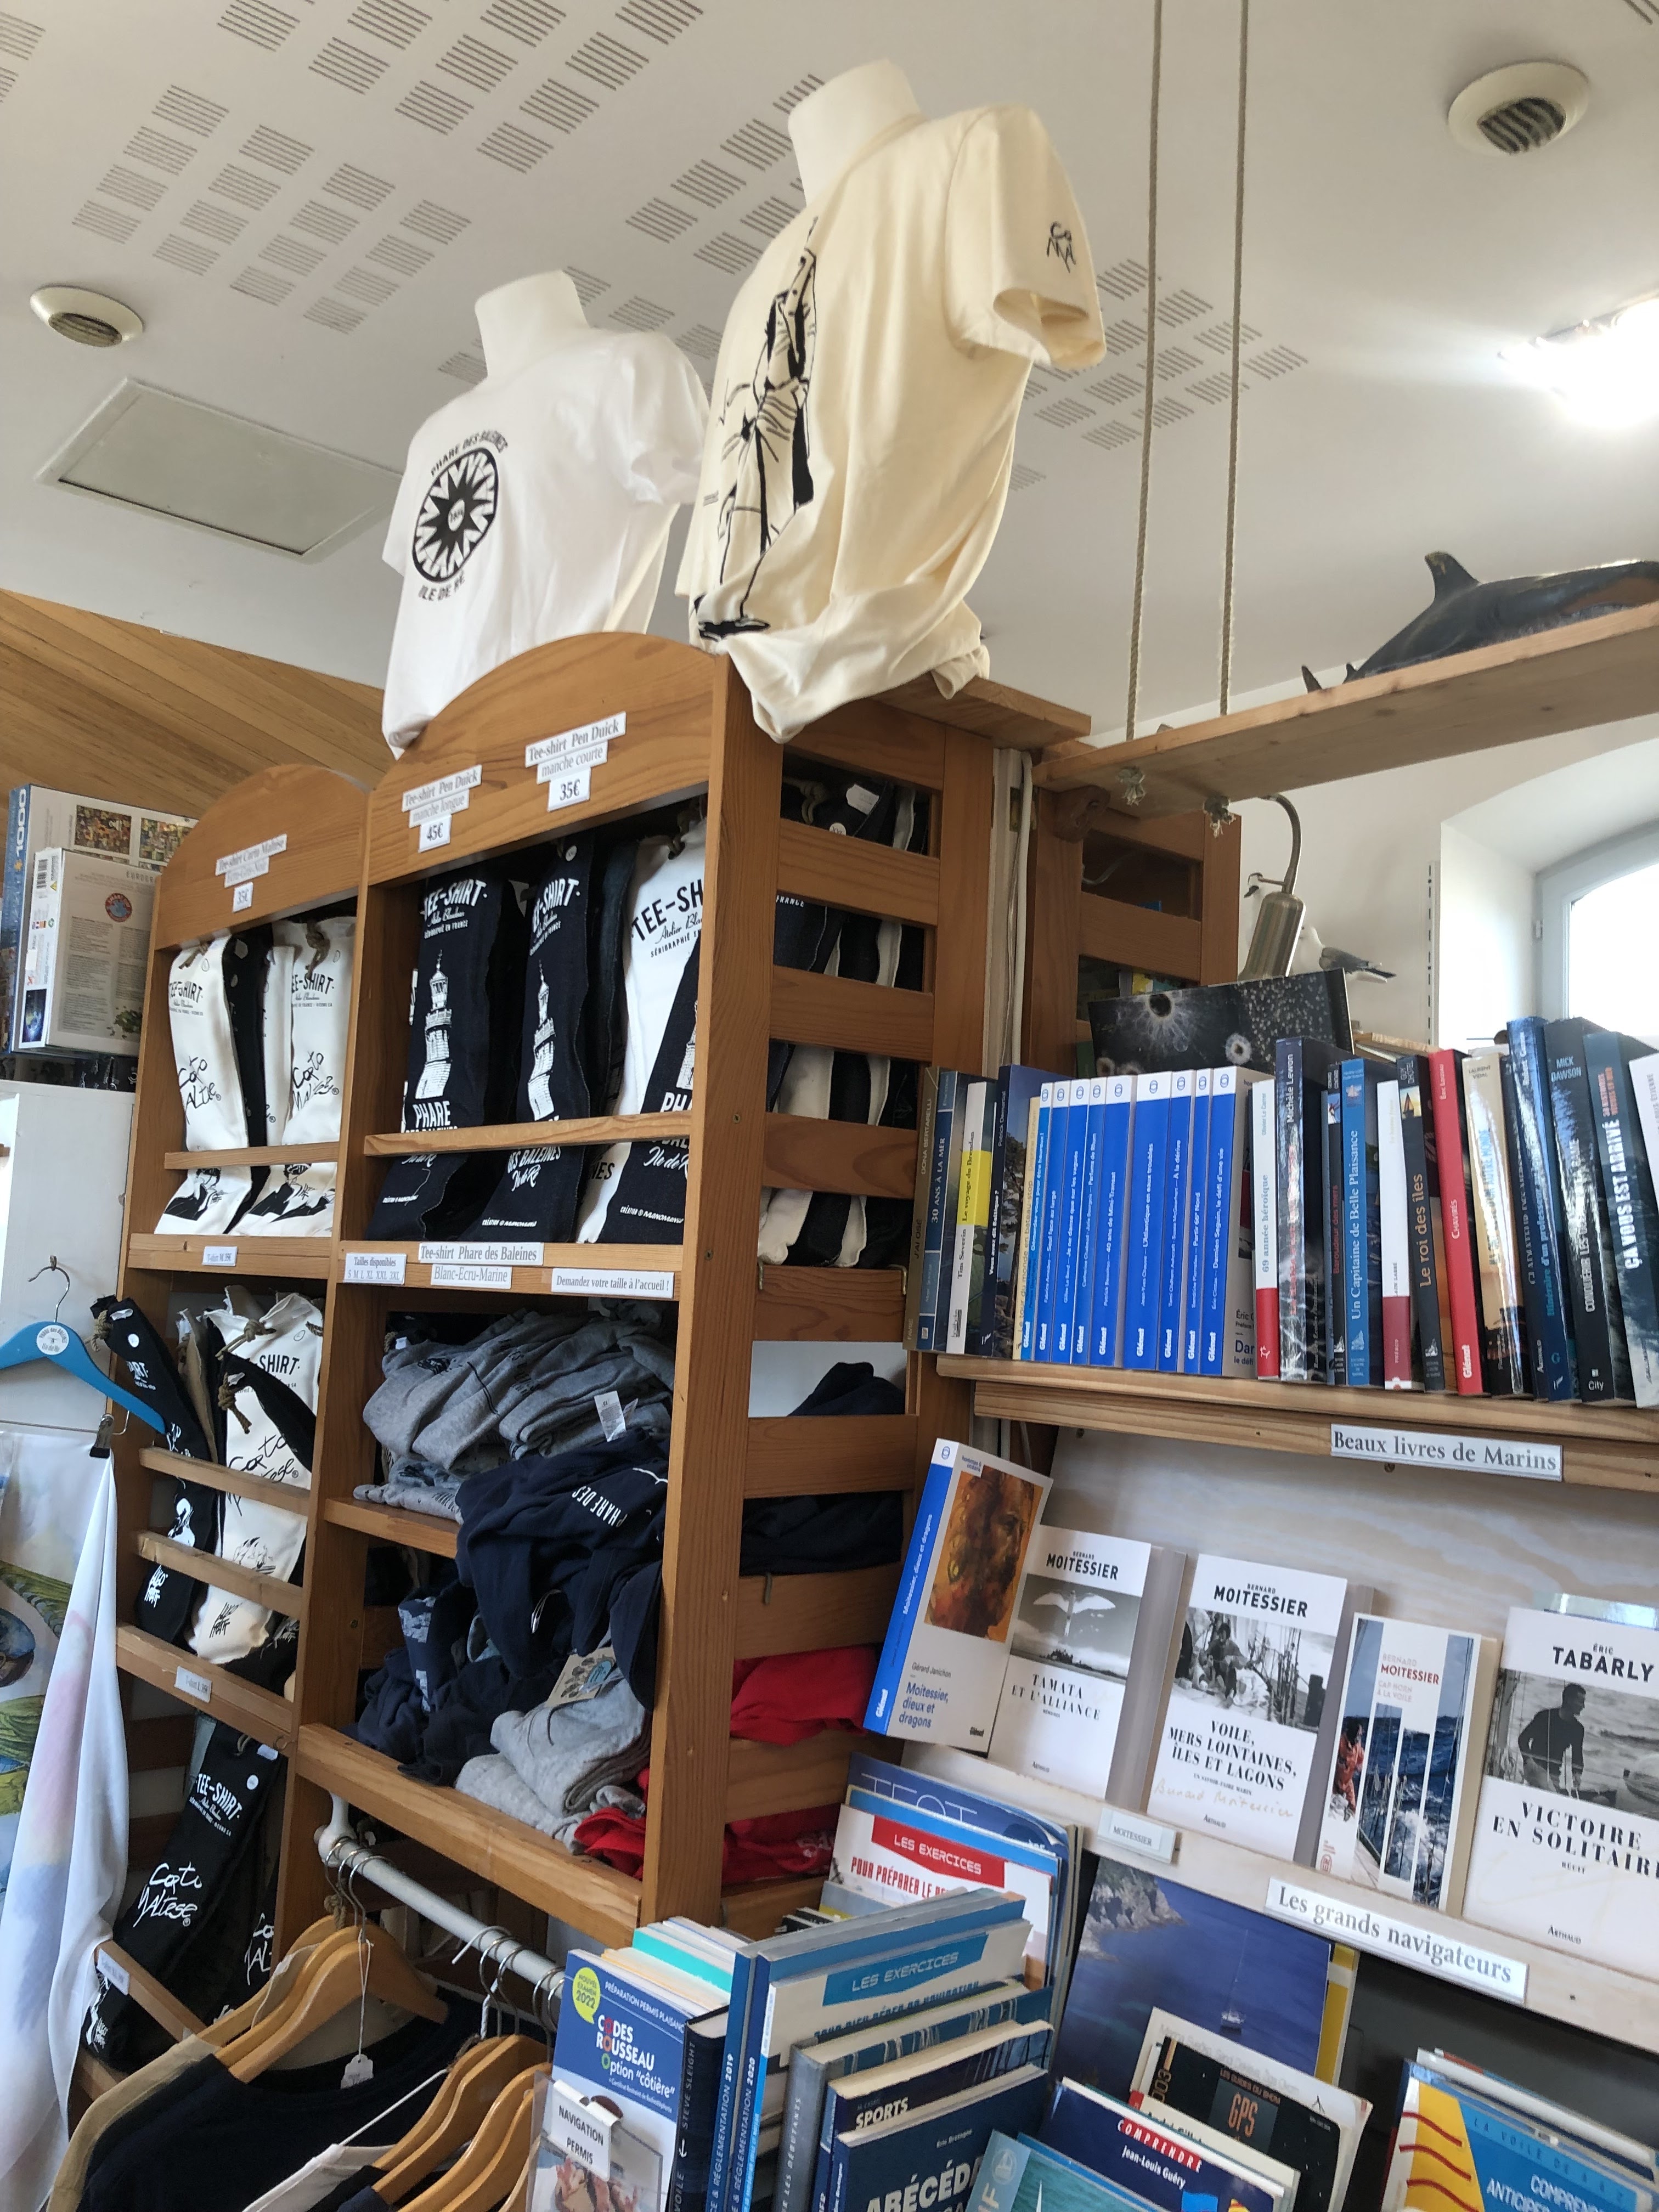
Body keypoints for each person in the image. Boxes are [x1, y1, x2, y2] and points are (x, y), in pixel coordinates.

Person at [1517, 1681, 1587, 1794]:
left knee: (1554, 1791)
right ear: (1569, 1700)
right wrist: (1529, 1761)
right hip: (1535, 1767)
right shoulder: (1544, 1717)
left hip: (1554, 1774)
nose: (1583, 1706)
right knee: (1550, 1792)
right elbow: (1523, 1739)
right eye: (1581, 1702)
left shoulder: (1578, 1729)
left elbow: (1577, 1756)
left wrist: (1577, 1774)